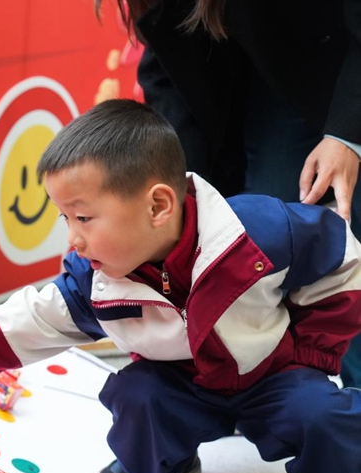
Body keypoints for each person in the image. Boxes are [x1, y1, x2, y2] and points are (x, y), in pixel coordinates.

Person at [0, 100, 361, 473]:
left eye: (83, 217)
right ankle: (168, 465)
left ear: (157, 207)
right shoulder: (95, 280)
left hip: (271, 377)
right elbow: (22, 323)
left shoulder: (257, 232)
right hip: (181, 384)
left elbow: (343, 260)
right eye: (65, 218)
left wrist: (310, 354)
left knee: (327, 419)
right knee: (137, 396)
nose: (72, 237)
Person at [98, 0, 361, 386]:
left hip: (331, 69)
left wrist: (346, 135)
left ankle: (345, 390)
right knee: (247, 247)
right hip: (252, 84)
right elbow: (169, 68)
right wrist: (180, 186)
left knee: (306, 244)